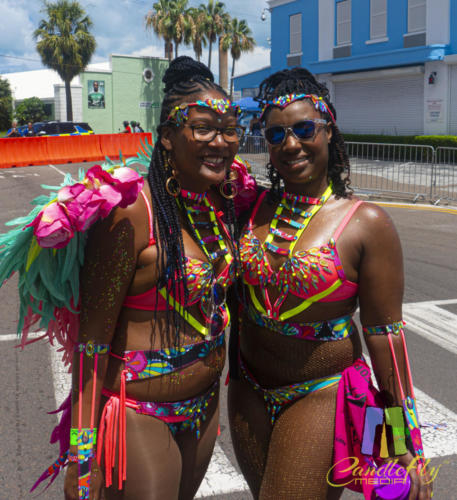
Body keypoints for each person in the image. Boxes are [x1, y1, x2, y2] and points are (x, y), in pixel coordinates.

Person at [228, 67, 432, 500]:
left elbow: (386, 340)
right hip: (248, 392)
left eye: (304, 129)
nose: (292, 144)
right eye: (276, 134)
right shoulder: (251, 206)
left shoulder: (366, 224)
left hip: (321, 395)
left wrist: (402, 443)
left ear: (329, 132)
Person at [59, 56, 246, 499]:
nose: (219, 141)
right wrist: (81, 455)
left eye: (229, 128)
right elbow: (92, 342)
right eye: (203, 128)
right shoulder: (131, 215)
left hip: (203, 410)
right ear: (166, 138)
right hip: (141, 414)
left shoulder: (216, 206)